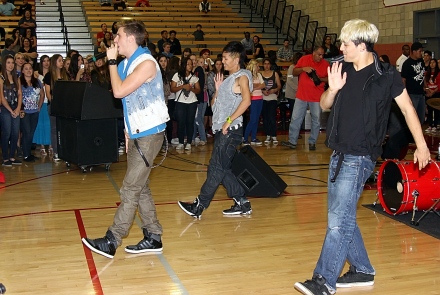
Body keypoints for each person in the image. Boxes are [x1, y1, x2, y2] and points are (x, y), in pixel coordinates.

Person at [293, 19, 431, 295]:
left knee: (337, 221)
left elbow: (407, 110)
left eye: (345, 44)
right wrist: (331, 89)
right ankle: (362, 270)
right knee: (343, 218)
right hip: (339, 153)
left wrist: (421, 144)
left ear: (361, 45)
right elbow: (323, 105)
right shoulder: (341, 68)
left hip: (360, 156)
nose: (340, 48)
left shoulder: (385, 74)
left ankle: (324, 280)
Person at [82, 19, 169, 259]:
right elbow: (118, 92)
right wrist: (128, 130)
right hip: (138, 131)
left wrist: (110, 61)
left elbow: (120, 91)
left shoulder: (147, 63)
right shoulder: (126, 64)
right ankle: (153, 236)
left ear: (131, 38)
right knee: (141, 187)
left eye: (118, 36)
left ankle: (112, 240)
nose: (114, 40)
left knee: (131, 187)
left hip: (151, 133)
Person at [178, 41, 253, 217]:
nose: (223, 61)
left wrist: (228, 121)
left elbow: (247, 101)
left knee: (216, 168)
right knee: (221, 168)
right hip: (222, 130)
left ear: (236, 59)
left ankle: (199, 205)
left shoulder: (242, 76)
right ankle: (242, 202)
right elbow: (214, 106)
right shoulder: (227, 80)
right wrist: (218, 91)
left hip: (231, 130)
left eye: (226, 58)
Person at [281, 46, 329, 151]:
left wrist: (318, 78)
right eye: (319, 54)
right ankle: (292, 141)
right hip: (302, 95)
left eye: (322, 55)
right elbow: (294, 72)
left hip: (317, 97)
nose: (321, 57)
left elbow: (328, 79)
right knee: (295, 118)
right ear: (313, 53)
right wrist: (303, 68)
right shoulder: (304, 59)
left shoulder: (325, 64)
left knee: (316, 120)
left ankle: (312, 142)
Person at [170, 57, 200, 150]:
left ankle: (189, 142)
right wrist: (182, 86)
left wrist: (191, 89)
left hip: (192, 102)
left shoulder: (194, 77)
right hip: (180, 102)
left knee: (190, 122)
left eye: (191, 64)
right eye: (188, 64)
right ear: (183, 65)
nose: (190, 66)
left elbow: (198, 90)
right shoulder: (177, 75)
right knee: (181, 123)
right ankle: (181, 142)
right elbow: (172, 88)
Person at [43, 54, 68, 160]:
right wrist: (54, 104)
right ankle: (56, 152)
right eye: (59, 61)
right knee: (54, 129)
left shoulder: (65, 74)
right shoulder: (49, 76)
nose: (62, 62)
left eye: (62, 60)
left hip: (65, 106)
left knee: (64, 128)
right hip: (53, 106)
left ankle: (65, 151)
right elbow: (48, 93)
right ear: (54, 63)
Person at [0, 54, 22, 166]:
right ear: (4, 64)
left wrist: (18, 108)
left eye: (12, 63)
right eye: (8, 63)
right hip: (5, 108)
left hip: (15, 107)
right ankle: (5, 158)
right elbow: (1, 97)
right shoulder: (1, 77)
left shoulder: (16, 77)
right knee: (6, 133)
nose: (11, 65)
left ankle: (12, 157)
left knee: (15, 132)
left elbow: (19, 93)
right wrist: (10, 110)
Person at [20, 62, 44, 162]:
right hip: (24, 112)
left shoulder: (37, 81)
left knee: (31, 132)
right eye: (26, 68)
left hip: (34, 112)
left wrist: (39, 107)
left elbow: (42, 95)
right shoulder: (19, 82)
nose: (29, 70)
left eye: (30, 68)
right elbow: (18, 96)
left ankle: (28, 153)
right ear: (22, 71)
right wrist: (20, 109)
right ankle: (26, 154)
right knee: (27, 133)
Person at [401, 42, 426, 125]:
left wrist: (426, 87)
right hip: (412, 94)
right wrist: (405, 94)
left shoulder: (421, 61)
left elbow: (423, 75)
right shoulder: (407, 64)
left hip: (421, 94)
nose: (421, 53)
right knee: (412, 118)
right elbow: (403, 79)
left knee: (421, 118)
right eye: (420, 51)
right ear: (414, 51)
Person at [243, 59, 265, 145]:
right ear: (254, 66)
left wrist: (255, 87)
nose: (259, 68)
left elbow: (263, 85)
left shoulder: (259, 74)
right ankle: (245, 138)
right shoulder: (248, 75)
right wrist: (256, 86)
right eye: (258, 66)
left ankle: (253, 138)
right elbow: (248, 86)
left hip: (260, 98)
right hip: (252, 98)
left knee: (256, 119)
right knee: (252, 119)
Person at [33, 55, 51, 156]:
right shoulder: (37, 75)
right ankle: (42, 146)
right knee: (40, 124)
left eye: (48, 61)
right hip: (40, 101)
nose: (46, 63)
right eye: (44, 61)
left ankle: (51, 145)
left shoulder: (51, 74)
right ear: (41, 63)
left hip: (48, 101)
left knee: (48, 124)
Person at [260, 58, 281, 144]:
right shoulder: (260, 74)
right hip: (263, 98)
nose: (267, 65)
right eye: (265, 64)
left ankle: (274, 136)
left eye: (268, 64)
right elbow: (257, 86)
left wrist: (275, 90)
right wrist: (262, 91)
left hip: (272, 98)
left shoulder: (275, 73)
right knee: (265, 118)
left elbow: (279, 85)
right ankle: (268, 136)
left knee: (272, 118)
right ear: (263, 65)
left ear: (270, 65)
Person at [281, 52, 302, 132]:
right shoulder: (291, 67)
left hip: (299, 94)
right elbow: (289, 80)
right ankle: (293, 131)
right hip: (292, 94)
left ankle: (296, 131)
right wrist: (298, 89)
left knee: (297, 114)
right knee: (293, 113)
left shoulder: (301, 68)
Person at [192, 57, 207, 145]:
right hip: (195, 98)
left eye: (203, 62)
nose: (202, 64)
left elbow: (200, 86)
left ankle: (203, 138)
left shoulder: (199, 70)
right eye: (200, 62)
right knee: (195, 119)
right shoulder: (194, 72)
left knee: (198, 119)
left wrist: (198, 99)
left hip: (199, 98)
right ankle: (194, 137)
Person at [424, 59, 440, 132]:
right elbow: (425, 83)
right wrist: (428, 90)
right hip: (429, 93)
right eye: (431, 63)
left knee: (436, 109)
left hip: (436, 93)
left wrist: (434, 91)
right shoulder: (426, 73)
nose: (432, 64)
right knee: (429, 110)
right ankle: (430, 125)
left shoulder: (439, 73)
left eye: (433, 62)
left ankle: (435, 125)